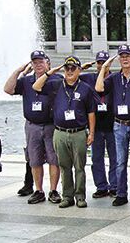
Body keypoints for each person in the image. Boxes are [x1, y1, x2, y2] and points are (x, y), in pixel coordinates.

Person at [33, 56, 97, 208]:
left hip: (79, 132)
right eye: (67, 68)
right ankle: (67, 196)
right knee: (64, 165)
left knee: (80, 166)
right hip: (60, 132)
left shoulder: (85, 88)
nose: (69, 71)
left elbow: (91, 113)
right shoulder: (55, 85)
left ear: (79, 70)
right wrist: (50, 72)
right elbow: (36, 87)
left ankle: (80, 195)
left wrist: (92, 133)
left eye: (73, 68)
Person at [3, 50, 62, 205]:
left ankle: (54, 190)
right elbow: (8, 90)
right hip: (32, 125)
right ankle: (38, 190)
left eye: (41, 62)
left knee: (53, 159)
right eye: (35, 62)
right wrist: (18, 71)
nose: (38, 65)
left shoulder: (56, 79)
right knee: (34, 160)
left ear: (48, 63)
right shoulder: (26, 81)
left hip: (51, 125)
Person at [94, 44, 130, 206]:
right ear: (118, 59)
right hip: (119, 125)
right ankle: (121, 193)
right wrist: (104, 67)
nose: (125, 59)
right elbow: (99, 88)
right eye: (122, 56)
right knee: (120, 162)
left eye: (127, 56)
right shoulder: (113, 78)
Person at [80, 51, 117, 199]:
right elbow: (71, 77)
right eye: (99, 62)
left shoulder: (114, 78)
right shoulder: (89, 77)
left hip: (113, 124)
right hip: (96, 125)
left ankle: (114, 186)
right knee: (96, 158)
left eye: (105, 63)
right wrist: (83, 67)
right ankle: (101, 186)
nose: (102, 65)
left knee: (115, 158)